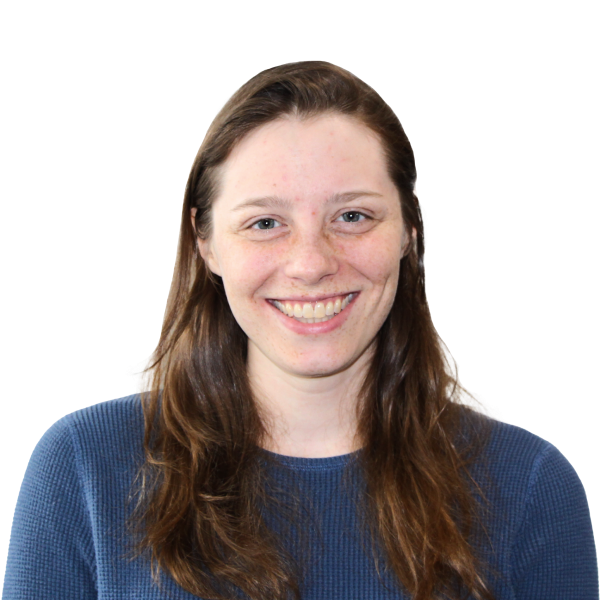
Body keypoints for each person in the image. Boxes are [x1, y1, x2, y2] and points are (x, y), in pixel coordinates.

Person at [4, 60, 597, 600]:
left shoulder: (530, 487)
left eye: (353, 216)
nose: (311, 263)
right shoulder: (83, 466)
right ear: (205, 242)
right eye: (265, 222)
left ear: (408, 233)